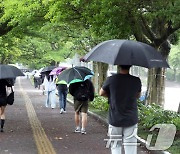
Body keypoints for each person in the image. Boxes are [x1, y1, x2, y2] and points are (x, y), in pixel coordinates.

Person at [99, 65, 141, 154]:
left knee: (115, 145)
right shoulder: (136, 80)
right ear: (130, 66)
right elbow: (138, 95)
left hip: (115, 117)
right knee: (130, 146)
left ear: (118, 66)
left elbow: (101, 93)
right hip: (131, 118)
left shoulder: (111, 79)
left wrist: (111, 96)